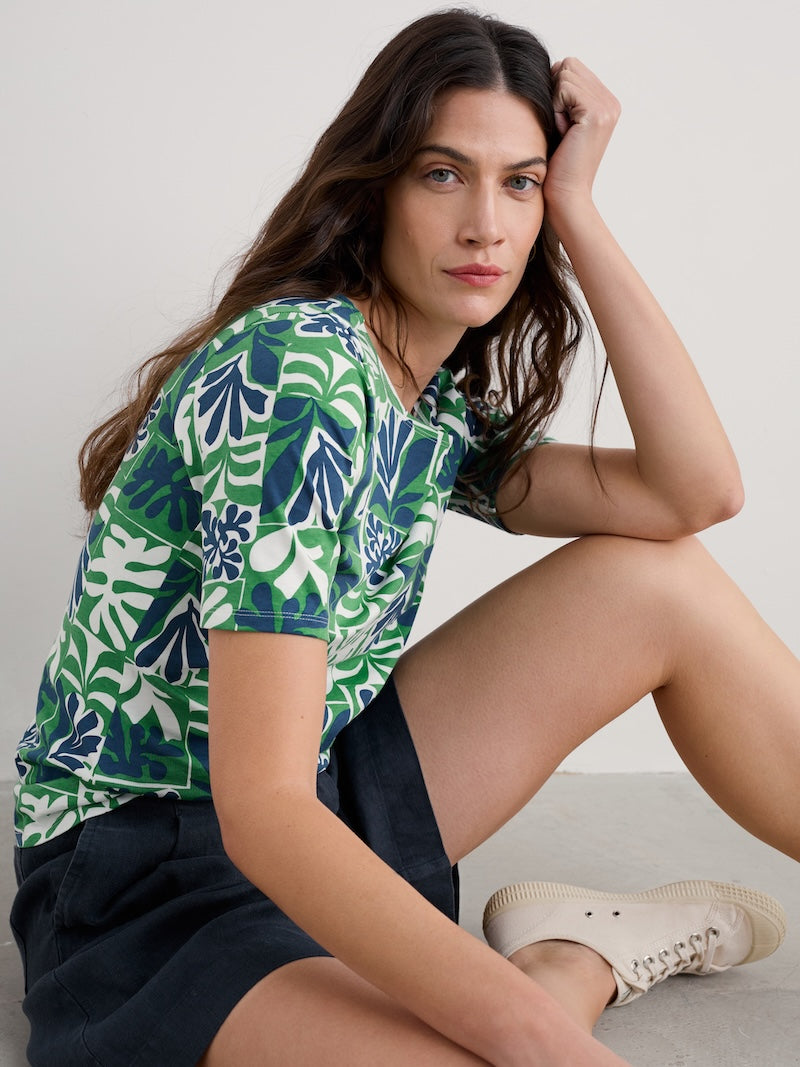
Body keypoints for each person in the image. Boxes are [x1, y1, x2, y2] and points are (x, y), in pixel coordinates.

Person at [10, 8, 796, 1066]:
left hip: (319, 792)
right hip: (150, 872)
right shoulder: (298, 377)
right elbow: (261, 810)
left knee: (662, 585)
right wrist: (546, 1043)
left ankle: (555, 966)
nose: (486, 225)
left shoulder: (426, 403)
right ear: (373, 186)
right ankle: (572, 961)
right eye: (442, 174)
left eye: (519, 183)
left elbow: (692, 491)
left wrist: (579, 208)